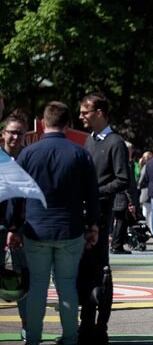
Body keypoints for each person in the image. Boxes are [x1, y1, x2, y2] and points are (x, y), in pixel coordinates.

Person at [8, 101, 100, 345]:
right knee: (67, 285)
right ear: (68, 125)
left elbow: (16, 195)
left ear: (43, 123)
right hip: (70, 230)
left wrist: (14, 227)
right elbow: (91, 194)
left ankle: (33, 339)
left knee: (37, 286)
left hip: (36, 229)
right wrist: (93, 225)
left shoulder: (28, 153)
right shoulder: (80, 154)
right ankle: (70, 337)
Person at [78, 92, 130, 343]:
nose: (81, 116)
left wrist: (95, 192)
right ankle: (86, 323)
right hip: (85, 214)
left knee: (100, 269)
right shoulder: (89, 140)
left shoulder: (115, 142)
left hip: (101, 215)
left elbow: (123, 179)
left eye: (85, 112)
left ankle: (100, 326)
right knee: (85, 270)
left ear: (99, 113)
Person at [1, 112, 29, 339]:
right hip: (0, 228)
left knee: (23, 279)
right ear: (3, 134)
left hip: (24, 230)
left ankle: (27, 325)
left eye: (20, 133)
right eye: (11, 132)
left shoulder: (30, 160)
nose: (15, 137)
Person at [110, 141, 140, 254]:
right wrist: (132, 202)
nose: (132, 151)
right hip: (123, 198)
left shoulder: (121, 163)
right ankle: (117, 246)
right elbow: (128, 185)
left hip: (120, 198)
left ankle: (117, 245)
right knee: (121, 222)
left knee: (121, 222)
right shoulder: (125, 164)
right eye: (131, 149)